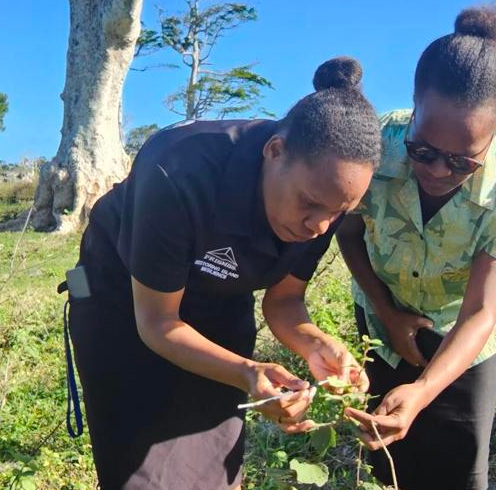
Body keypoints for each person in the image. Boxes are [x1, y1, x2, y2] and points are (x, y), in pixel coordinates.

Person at [63, 57, 380, 490]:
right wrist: (248, 372)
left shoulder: (324, 197)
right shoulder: (177, 169)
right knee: (142, 472)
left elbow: (284, 301)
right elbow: (157, 323)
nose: (319, 227)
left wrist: (318, 345)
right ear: (274, 152)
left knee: (212, 464)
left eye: (337, 213)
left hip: (218, 298)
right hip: (123, 300)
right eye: (309, 204)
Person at [337, 5, 496, 490]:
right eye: (423, 151)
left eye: (461, 163)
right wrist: (386, 312)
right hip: (381, 321)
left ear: (494, 137)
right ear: (412, 106)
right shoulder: (374, 142)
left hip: (464, 335)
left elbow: (481, 310)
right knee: (388, 457)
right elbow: (348, 232)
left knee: (459, 466)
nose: (436, 171)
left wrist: (426, 388)